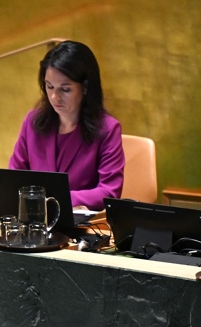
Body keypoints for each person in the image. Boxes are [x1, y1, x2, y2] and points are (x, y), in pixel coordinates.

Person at [9, 40, 124, 210]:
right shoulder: (33, 122)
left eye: (65, 89)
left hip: (80, 227)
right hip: (34, 223)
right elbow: (13, 178)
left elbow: (109, 192)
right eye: (49, 87)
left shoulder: (107, 129)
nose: (55, 97)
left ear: (85, 87)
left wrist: (55, 198)